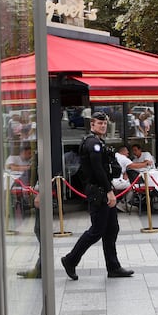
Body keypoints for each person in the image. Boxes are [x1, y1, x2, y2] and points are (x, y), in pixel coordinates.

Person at [61, 112, 134, 280]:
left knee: (111, 229)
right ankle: (70, 260)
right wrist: (109, 191)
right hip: (99, 191)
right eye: (99, 123)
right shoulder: (92, 143)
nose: (103, 126)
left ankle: (113, 267)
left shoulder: (99, 142)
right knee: (96, 230)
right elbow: (97, 169)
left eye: (104, 123)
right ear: (92, 125)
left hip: (102, 189)